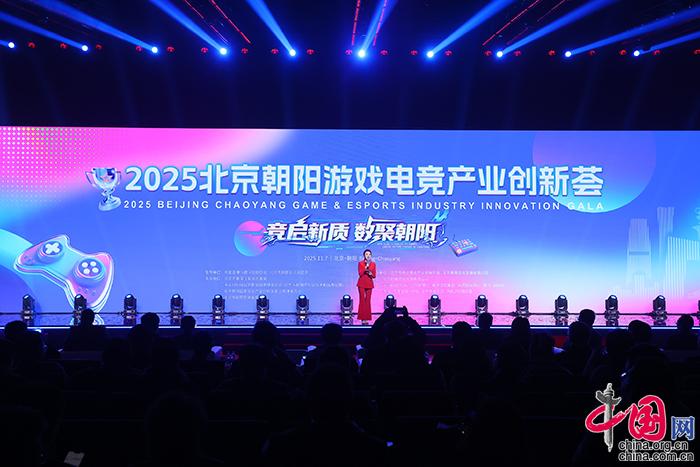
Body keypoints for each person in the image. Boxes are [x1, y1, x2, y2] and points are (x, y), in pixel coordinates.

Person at [356, 248, 376, 325]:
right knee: (362, 300)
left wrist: (371, 274)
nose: (368, 255)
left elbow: (374, 275)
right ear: (364, 255)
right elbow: (360, 273)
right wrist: (366, 267)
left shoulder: (373, 264)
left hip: (369, 284)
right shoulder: (360, 263)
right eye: (366, 254)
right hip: (361, 283)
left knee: (367, 300)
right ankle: (362, 318)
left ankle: (367, 318)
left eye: (369, 254)